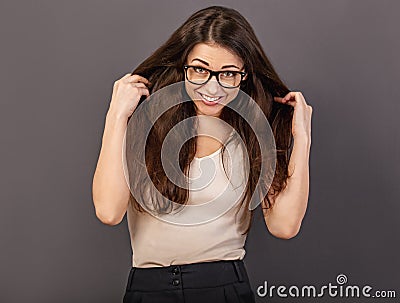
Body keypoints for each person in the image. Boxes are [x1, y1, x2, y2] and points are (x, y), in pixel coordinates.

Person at [92, 5, 312, 303]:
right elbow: (108, 211)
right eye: (200, 69)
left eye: (229, 74)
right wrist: (116, 116)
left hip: (223, 287)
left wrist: (303, 137)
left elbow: (284, 226)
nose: (213, 86)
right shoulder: (147, 125)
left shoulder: (256, 132)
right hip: (147, 287)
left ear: (244, 74)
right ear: (183, 65)